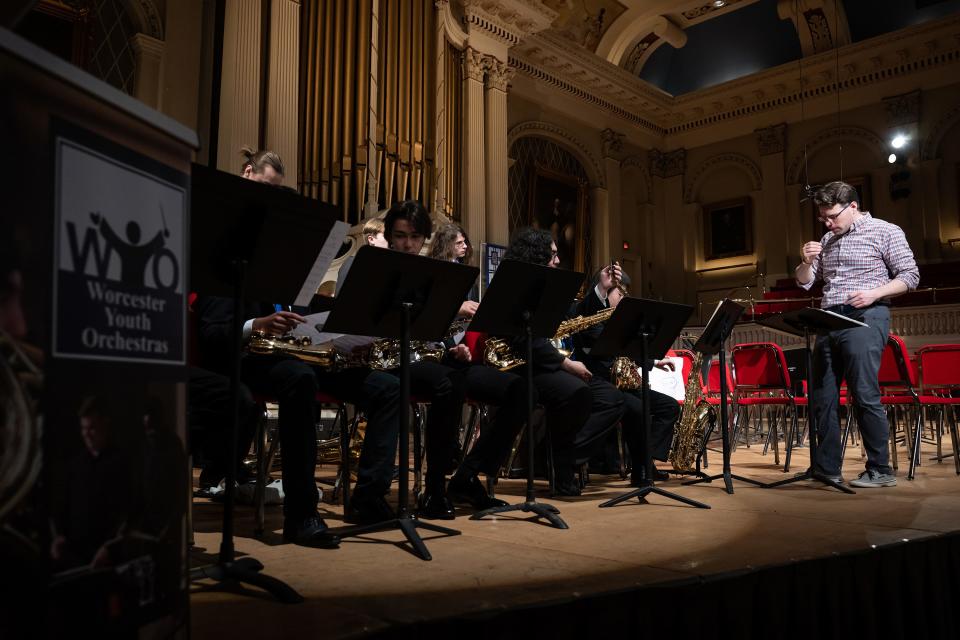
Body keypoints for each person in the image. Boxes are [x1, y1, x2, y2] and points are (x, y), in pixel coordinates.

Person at [193, 148, 401, 546]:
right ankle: (301, 514)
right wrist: (257, 324)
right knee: (300, 379)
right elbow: (212, 333)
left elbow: (309, 322)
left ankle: (368, 499)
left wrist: (342, 342)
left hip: (299, 354)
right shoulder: (228, 253)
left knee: (387, 388)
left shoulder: (294, 264)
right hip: (250, 356)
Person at [796, 181, 919, 488]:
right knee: (821, 397)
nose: (827, 223)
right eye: (822, 217)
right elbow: (805, 282)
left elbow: (910, 276)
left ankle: (880, 470)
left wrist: (874, 293)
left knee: (864, 394)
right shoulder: (828, 238)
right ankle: (826, 468)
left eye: (831, 216)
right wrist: (806, 261)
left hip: (865, 315)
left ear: (852, 206)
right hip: (828, 319)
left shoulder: (885, 230)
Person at [500, 228, 625, 495]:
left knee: (612, 399)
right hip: (526, 365)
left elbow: (573, 316)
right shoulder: (516, 286)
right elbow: (523, 341)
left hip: (551, 363)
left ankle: (558, 456)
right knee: (576, 391)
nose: (557, 260)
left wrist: (601, 289)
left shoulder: (551, 286)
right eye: (552, 255)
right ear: (536, 255)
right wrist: (566, 364)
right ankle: (560, 462)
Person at [573, 267, 679, 484]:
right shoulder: (589, 319)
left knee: (669, 407)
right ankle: (641, 470)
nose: (624, 299)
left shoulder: (620, 321)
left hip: (625, 384)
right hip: (602, 384)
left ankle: (646, 461)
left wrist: (655, 362)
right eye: (620, 294)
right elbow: (618, 345)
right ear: (605, 293)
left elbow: (629, 347)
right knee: (637, 409)